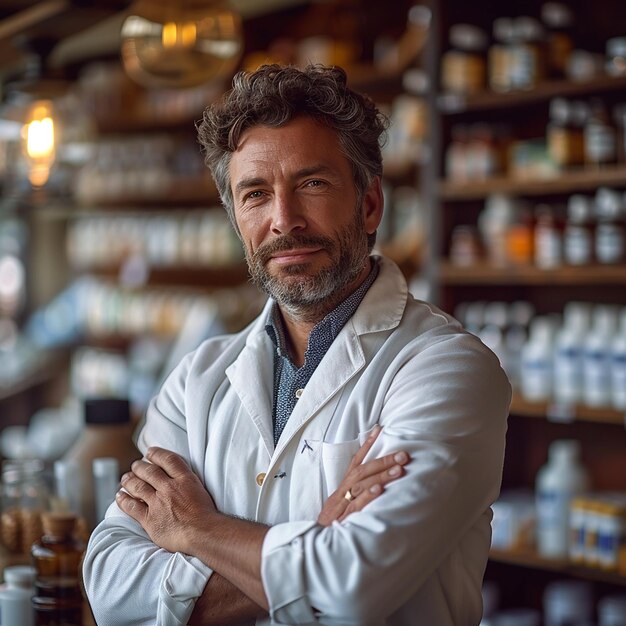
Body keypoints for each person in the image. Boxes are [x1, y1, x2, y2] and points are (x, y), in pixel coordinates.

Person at [82, 64, 510, 626]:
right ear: (237, 220)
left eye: (312, 183)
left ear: (370, 204)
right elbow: (110, 585)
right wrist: (319, 534)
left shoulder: (447, 369)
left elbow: (352, 587)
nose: (284, 221)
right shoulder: (197, 380)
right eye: (256, 194)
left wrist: (195, 529)